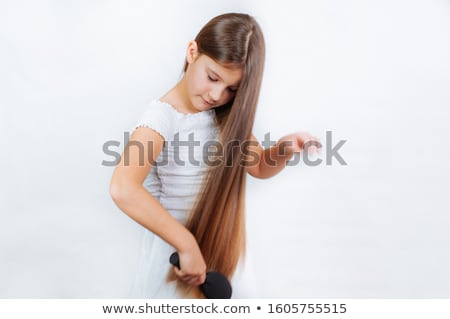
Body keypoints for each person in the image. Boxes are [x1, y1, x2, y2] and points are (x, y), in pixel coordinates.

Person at [110, 12, 321, 298]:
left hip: (222, 251)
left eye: (232, 89)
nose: (217, 95)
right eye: (213, 77)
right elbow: (123, 188)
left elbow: (258, 165)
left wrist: (283, 150)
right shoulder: (161, 118)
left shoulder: (222, 115)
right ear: (192, 52)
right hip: (181, 259)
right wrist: (186, 244)